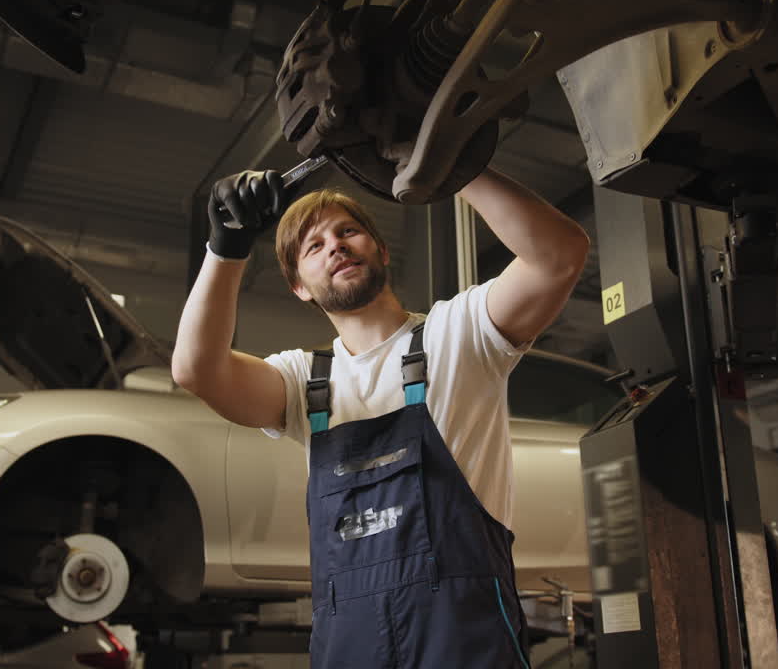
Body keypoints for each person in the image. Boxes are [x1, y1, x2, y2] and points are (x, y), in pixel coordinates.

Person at [173, 166, 590, 667]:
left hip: (460, 637)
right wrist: (226, 247)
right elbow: (197, 369)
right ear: (299, 287)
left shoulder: (457, 336)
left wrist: (450, 162)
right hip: (350, 643)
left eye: (347, 231)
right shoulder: (305, 382)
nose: (335, 246)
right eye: (314, 246)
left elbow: (560, 256)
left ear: (382, 250)